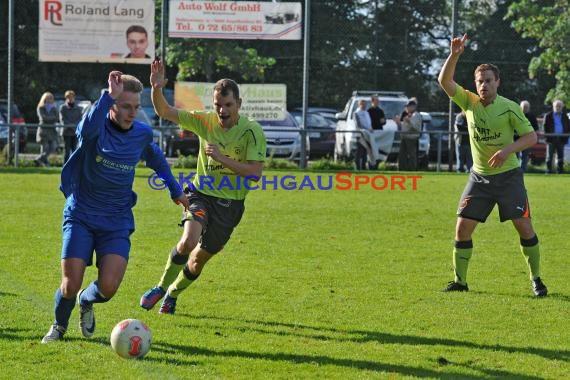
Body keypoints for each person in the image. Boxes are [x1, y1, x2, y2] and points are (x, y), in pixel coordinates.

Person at [41, 71, 189, 343]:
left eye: (136, 107)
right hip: (81, 214)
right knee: (69, 284)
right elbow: (84, 130)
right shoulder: (95, 130)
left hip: (117, 219)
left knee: (108, 287)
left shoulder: (141, 134)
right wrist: (108, 94)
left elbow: (156, 158)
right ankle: (59, 327)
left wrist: (175, 190)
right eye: (125, 106)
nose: (132, 113)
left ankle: (86, 301)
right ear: (111, 106)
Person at [139, 59, 266, 315]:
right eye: (218, 105)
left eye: (228, 105)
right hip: (200, 195)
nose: (222, 110)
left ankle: (173, 293)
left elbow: (255, 174)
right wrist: (156, 88)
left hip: (230, 206)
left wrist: (221, 158)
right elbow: (164, 111)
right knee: (188, 241)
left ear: (239, 105)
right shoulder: (204, 121)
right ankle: (160, 287)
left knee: (197, 261)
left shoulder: (252, 131)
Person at [438, 33, 547, 297]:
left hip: (509, 177)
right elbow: (444, 81)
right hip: (479, 179)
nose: (484, 85)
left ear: (497, 82)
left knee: (524, 227)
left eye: (488, 80)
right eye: (479, 81)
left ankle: (536, 279)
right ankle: (460, 282)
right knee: (462, 229)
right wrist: (455, 55)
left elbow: (532, 137)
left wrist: (506, 150)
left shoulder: (510, 108)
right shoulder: (469, 102)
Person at [543, 99, 570, 174]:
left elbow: (568, 127)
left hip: (562, 138)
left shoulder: (565, 116)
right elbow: (545, 127)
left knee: (560, 156)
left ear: (562, 107)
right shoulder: (548, 115)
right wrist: (547, 137)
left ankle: (560, 171)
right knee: (549, 156)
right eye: (556, 106)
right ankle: (548, 171)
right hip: (551, 138)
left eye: (559, 106)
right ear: (553, 106)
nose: (558, 107)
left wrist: (566, 137)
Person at [395, 100, 421, 171]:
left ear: (413, 107)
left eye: (408, 106)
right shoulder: (408, 115)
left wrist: (409, 121)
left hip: (411, 138)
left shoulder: (416, 115)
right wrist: (399, 123)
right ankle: (402, 169)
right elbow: (404, 127)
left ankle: (412, 169)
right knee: (402, 155)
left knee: (412, 155)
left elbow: (415, 127)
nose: (406, 108)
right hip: (404, 137)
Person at [35, 92, 59, 167]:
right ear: (44, 99)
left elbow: (57, 118)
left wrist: (49, 119)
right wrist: (51, 119)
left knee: (53, 147)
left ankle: (39, 159)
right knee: (45, 148)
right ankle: (44, 163)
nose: (49, 100)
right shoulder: (40, 107)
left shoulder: (54, 108)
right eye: (48, 98)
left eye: (51, 98)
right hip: (43, 131)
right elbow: (43, 118)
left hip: (52, 131)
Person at [59, 90, 83, 162]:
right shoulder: (62, 108)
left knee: (74, 150)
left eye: (71, 97)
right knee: (66, 150)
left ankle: (73, 166)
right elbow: (62, 119)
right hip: (66, 132)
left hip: (75, 132)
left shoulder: (78, 108)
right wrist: (70, 125)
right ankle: (65, 165)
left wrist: (73, 127)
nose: (70, 98)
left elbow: (79, 119)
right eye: (68, 97)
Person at [518, 100, 539, 172]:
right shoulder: (516, 115)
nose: (525, 108)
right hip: (516, 139)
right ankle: (515, 170)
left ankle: (522, 170)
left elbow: (536, 128)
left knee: (525, 156)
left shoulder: (532, 116)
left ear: (529, 108)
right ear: (520, 107)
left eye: (527, 107)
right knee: (515, 156)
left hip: (527, 140)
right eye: (524, 107)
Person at [354, 99, 374, 170]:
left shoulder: (366, 113)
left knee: (365, 152)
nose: (364, 106)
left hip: (368, 135)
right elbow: (358, 125)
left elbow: (369, 123)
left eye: (365, 104)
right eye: (362, 104)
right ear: (359, 105)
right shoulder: (356, 113)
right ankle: (357, 167)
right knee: (359, 151)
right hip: (360, 135)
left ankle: (363, 167)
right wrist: (367, 129)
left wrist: (370, 128)